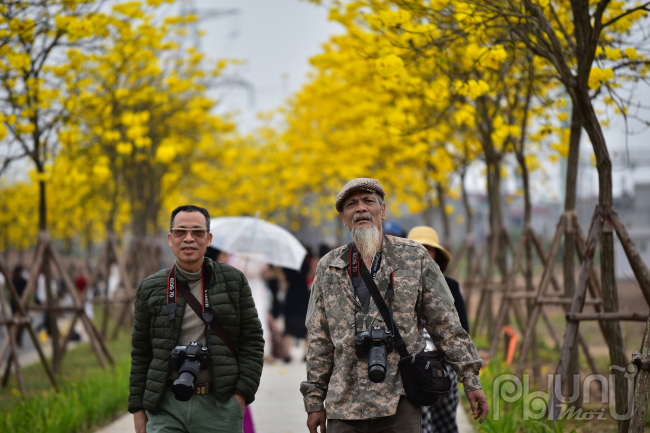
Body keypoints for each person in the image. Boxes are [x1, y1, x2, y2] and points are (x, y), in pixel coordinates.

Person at [301, 178, 488, 433]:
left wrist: (470, 379)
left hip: (400, 399)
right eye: (351, 204)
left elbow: (444, 323)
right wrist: (314, 401)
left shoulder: (414, 257)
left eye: (368, 201)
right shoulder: (328, 266)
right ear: (344, 218)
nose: (361, 209)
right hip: (344, 404)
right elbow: (320, 340)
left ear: (383, 210)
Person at [128, 205, 264, 433]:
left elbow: (252, 342)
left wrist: (240, 397)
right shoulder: (150, 288)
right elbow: (141, 353)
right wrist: (138, 409)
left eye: (197, 232)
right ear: (170, 239)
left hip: (219, 404)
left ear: (209, 239)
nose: (189, 238)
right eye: (181, 232)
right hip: (165, 407)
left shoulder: (233, 281)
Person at [407, 226, 470, 433]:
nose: (421, 254)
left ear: (436, 255)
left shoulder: (450, 286)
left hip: (441, 365)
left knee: (443, 421)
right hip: (410, 364)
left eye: (427, 249)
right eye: (416, 248)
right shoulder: (397, 287)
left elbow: (462, 331)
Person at [283, 250, 313, 361]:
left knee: (289, 324)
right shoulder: (304, 263)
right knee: (305, 322)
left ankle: (286, 352)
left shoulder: (287, 264)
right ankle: (306, 351)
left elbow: (283, 279)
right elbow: (309, 274)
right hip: (303, 294)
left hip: (291, 294)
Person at [11, 265, 27, 346]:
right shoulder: (18, 280)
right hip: (18, 303)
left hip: (18, 303)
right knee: (18, 322)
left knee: (20, 322)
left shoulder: (16, 280)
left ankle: (16, 339)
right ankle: (15, 339)